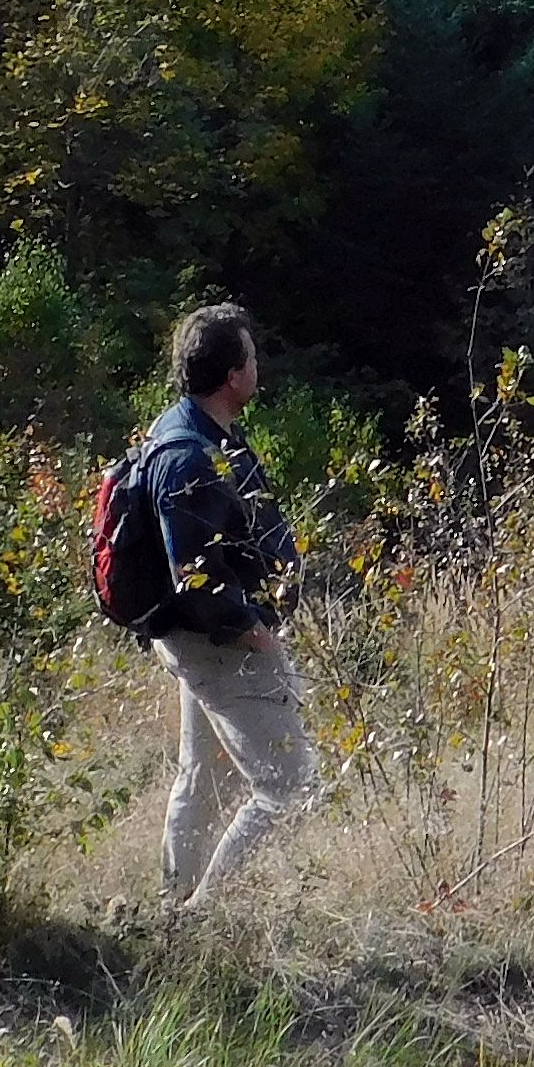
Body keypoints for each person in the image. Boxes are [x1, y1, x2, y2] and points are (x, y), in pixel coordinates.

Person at [139, 301, 315, 907]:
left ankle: (173, 907)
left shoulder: (204, 433)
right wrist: (253, 633)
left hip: (203, 643)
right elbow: (197, 578)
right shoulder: (187, 455)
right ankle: (204, 917)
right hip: (222, 644)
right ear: (233, 373)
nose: (258, 366)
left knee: (204, 777)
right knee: (289, 787)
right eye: (252, 356)